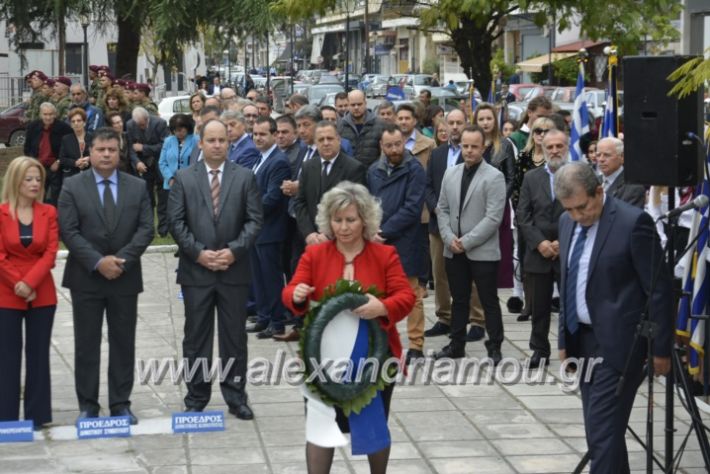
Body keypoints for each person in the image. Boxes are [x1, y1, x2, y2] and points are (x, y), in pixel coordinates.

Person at [282, 182, 415, 474]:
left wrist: (382, 307)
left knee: (374, 422)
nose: (343, 227)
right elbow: (291, 291)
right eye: (337, 220)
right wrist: (297, 294)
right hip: (324, 357)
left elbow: (406, 297)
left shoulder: (385, 255)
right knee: (320, 422)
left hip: (374, 359)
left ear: (365, 220)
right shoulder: (314, 255)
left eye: (351, 220)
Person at [556, 162, 672, 473]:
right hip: (581, 340)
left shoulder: (633, 222)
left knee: (603, 431)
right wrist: (563, 339)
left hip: (619, 345)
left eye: (583, 207)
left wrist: (660, 348)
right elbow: (566, 281)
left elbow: (658, 290)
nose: (578, 217)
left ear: (598, 191)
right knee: (601, 432)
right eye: (570, 210)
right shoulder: (566, 224)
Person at [58, 127, 154, 424]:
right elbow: (68, 231)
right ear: (90, 151)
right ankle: (87, 405)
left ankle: (120, 404)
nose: (107, 154)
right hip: (86, 278)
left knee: (123, 342)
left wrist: (120, 261)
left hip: (124, 277)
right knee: (86, 343)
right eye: (101, 149)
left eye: (112, 149)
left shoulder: (136, 187)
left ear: (119, 151)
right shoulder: (72, 186)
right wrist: (98, 262)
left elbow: (146, 229)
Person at [167, 119, 263, 418]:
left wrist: (234, 252)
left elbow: (254, 220)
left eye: (222, 140)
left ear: (229, 142)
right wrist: (198, 253)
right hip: (197, 272)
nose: (217, 145)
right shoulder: (184, 178)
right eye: (211, 140)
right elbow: (176, 222)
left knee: (234, 336)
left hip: (233, 271)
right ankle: (196, 396)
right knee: (196, 337)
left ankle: (236, 396)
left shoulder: (245, 177)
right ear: (201, 143)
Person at [434, 125, 506, 364]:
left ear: (483, 147)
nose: (469, 151)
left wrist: (466, 242)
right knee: (459, 299)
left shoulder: (494, 177)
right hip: (453, 249)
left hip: (481, 251)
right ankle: (456, 344)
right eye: (465, 146)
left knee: (488, 300)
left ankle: (494, 345)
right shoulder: (450, 174)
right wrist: (447, 237)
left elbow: (493, 218)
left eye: (474, 146)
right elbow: (441, 208)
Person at [0, 157, 59, 430]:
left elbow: (50, 253)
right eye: (29, 179)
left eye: (38, 179)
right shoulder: (1, 213)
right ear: (16, 181)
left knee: (38, 354)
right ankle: (7, 416)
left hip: (41, 293)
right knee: (7, 356)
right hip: (6, 293)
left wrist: (31, 283)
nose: (35, 184)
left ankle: (38, 415)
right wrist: (18, 284)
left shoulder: (48, 212)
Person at [367, 123, 427, 364]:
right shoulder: (373, 170)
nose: (394, 149)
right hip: (378, 241)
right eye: (389, 145)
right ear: (381, 146)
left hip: (407, 240)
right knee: (378, 293)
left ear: (404, 143)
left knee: (412, 295)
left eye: (398, 144)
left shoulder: (415, 169)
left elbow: (412, 207)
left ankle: (416, 344)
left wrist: (385, 230)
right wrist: (373, 230)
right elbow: (369, 203)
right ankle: (381, 340)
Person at [424, 110, 486, 341]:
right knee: (440, 274)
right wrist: (436, 208)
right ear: (445, 125)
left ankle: (477, 320)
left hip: (466, 227)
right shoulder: (437, 154)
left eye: (460, 122)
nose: (455, 127)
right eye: (451, 123)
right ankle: (444, 318)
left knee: (470, 274)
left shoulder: (474, 155)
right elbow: (428, 185)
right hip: (438, 225)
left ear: (466, 124)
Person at [516, 129, 568, 368]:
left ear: (566, 147)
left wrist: (561, 242)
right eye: (550, 147)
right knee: (538, 306)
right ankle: (539, 349)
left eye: (559, 146)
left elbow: (582, 211)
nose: (555, 151)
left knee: (569, 306)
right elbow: (523, 215)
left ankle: (571, 350)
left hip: (567, 251)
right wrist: (540, 243)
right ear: (543, 149)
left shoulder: (578, 175)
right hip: (538, 252)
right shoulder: (531, 178)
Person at [244, 117, 292, 339]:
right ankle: (263, 317)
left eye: (263, 134)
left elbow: (272, 198)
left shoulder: (278, 161)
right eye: (255, 134)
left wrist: (246, 209)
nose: (258, 138)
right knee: (258, 278)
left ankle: (277, 321)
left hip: (270, 230)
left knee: (271, 279)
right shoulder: (259, 158)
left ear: (274, 135)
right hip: (256, 231)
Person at [509, 117, 557, 318]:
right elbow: (517, 188)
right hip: (526, 218)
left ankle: (552, 299)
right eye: (538, 131)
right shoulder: (523, 156)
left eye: (547, 131)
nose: (541, 135)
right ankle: (527, 303)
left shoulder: (555, 159)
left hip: (549, 220)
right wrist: (520, 216)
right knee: (525, 261)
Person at [474, 103, 515, 291]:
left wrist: (498, 201)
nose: (485, 122)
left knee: (500, 247)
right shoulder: (472, 145)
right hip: (475, 206)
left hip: (498, 207)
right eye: (481, 119)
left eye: (489, 118)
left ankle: (499, 285)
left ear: (495, 121)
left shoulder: (505, 145)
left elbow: (511, 177)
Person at [126, 106, 170, 236]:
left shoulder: (160, 123)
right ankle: (148, 229)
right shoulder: (130, 125)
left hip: (159, 164)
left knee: (163, 198)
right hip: (143, 166)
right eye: (138, 125)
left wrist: (144, 148)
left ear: (147, 118)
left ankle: (163, 230)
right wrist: (137, 162)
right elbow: (131, 148)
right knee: (147, 199)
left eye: (143, 124)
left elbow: (164, 146)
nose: (141, 127)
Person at [23, 102, 73, 205]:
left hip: (55, 167)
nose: (48, 117)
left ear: (55, 114)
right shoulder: (33, 127)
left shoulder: (64, 128)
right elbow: (27, 148)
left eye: (51, 114)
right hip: (37, 167)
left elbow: (69, 148)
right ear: (41, 114)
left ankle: (55, 217)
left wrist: (59, 161)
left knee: (56, 196)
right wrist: (32, 162)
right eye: (45, 114)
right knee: (38, 195)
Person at [596, 137, 645, 208]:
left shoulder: (634, 187)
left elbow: (629, 217)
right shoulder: (593, 182)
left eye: (606, 155)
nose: (601, 159)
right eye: (598, 155)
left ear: (622, 157)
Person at [338, 90, 384, 167]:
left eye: (359, 104)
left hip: (372, 173)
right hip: (349, 174)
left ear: (365, 103)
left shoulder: (379, 125)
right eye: (353, 105)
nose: (356, 107)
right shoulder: (340, 126)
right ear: (348, 105)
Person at [159, 114, 198, 191]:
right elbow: (162, 163)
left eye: (181, 129)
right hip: (172, 184)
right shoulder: (168, 141)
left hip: (191, 184)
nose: (178, 132)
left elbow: (198, 162)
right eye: (175, 130)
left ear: (187, 127)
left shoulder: (196, 140)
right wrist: (170, 178)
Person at [58, 108, 93, 179]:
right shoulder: (66, 139)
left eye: (79, 120)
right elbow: (62, 159)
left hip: (90, 175)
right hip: (72, 176)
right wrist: (75, 163)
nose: (76, 123)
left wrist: (89, 159)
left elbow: (98, 155)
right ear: (70, 124)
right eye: (73, 121)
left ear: (84, 122)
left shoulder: (93, 137)